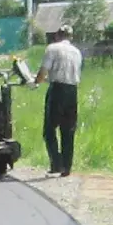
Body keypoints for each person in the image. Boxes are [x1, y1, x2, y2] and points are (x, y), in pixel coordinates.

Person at [34, 23, 83, 176]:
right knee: (68, 130)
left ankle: (56, 163)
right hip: (72, 91)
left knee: (49, 129)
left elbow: (43, 72)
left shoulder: (52, 49)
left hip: (57, 90)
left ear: (57, 35)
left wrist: (35, 81)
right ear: (71, 37)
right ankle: (67, 167)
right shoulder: (77, 52)